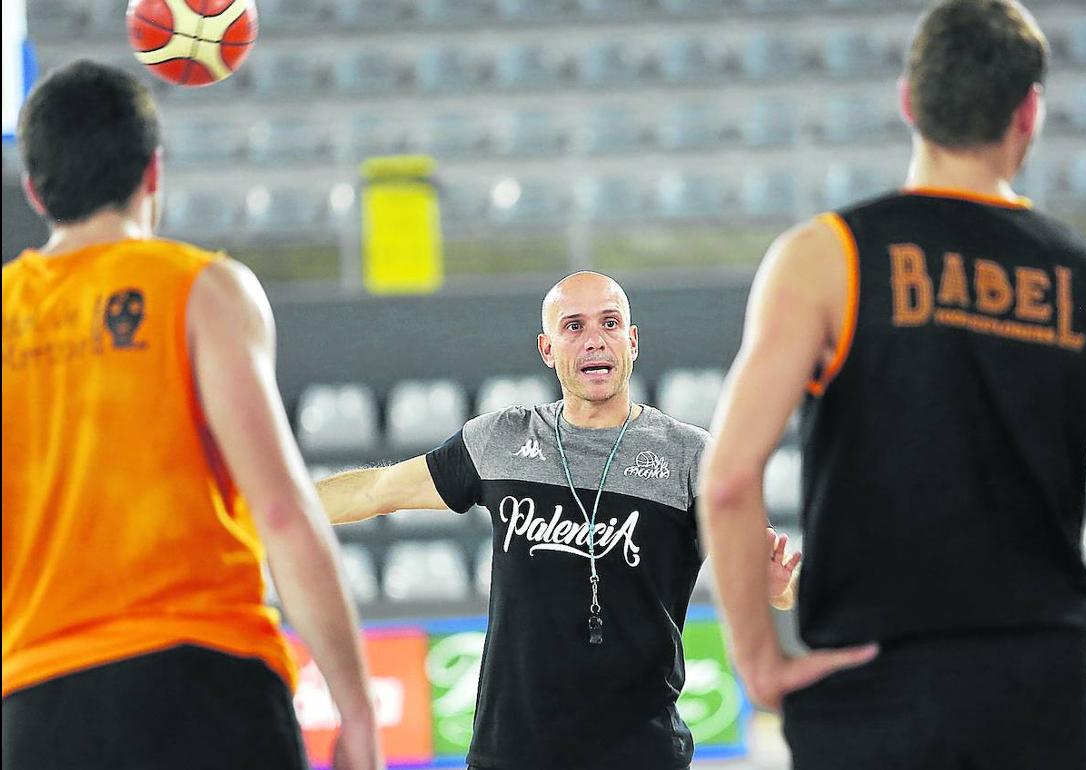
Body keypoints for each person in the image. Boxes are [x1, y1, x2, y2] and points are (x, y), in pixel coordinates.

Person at [698, 1, 1086, 768]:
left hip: (870, 703)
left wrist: (759, 661)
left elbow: (726, 481)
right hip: (1043, 703)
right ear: (1030, 113)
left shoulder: (826, 260)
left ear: (909, 101)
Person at [1, 60, 382, 770]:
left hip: (40, 709)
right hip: (207, 684)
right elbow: (282, 512)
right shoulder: (203, 289)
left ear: (35, 190)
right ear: (153, 173)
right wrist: (355, 710)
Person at [316, 270, 800, 770]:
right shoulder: (500, 441)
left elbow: (769, 580)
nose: (595, 339)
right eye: (574, 327)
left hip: (641, 754)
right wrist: (262, 508)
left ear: (632, 341)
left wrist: (779, 586)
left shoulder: (691, 457)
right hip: (511, 754)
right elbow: (380, 490)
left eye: (610, 323)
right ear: (547, 349)